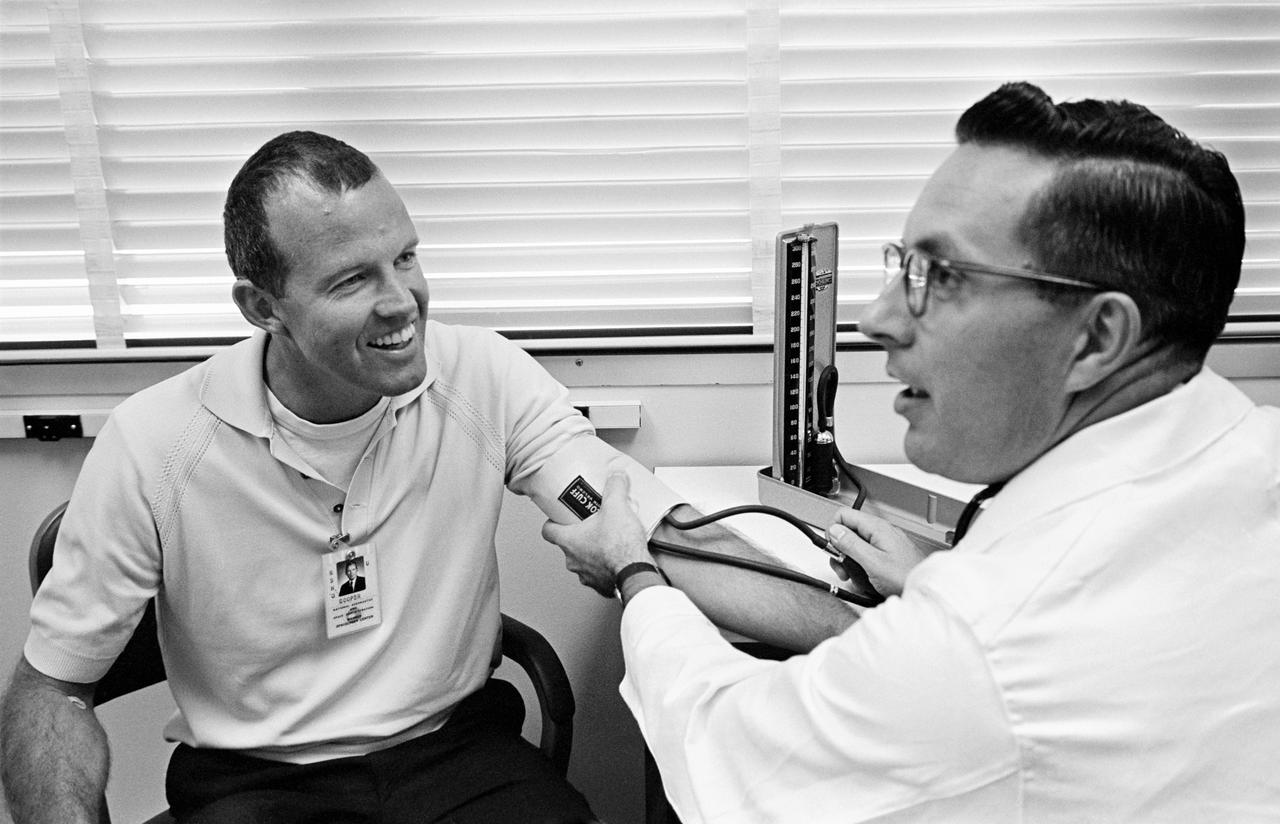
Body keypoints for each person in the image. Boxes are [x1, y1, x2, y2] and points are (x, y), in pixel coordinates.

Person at [0, 131, 855, 824]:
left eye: (406, 257)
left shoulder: (481, 378)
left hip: (455, 752)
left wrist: (875, 636)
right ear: (262, 307)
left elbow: (647, 530)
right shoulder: (155, 445)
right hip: (257, 784)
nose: (403, 301)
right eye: (352, 279)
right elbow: (51, 690)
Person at [542, 81, 1280, 822]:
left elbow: (727, 754)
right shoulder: (1254, 444)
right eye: (902, 265)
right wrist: (935, 579)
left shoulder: (986, 642)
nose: (878, 318)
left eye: (942, 277)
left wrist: (632, 569)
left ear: (1097, 338)